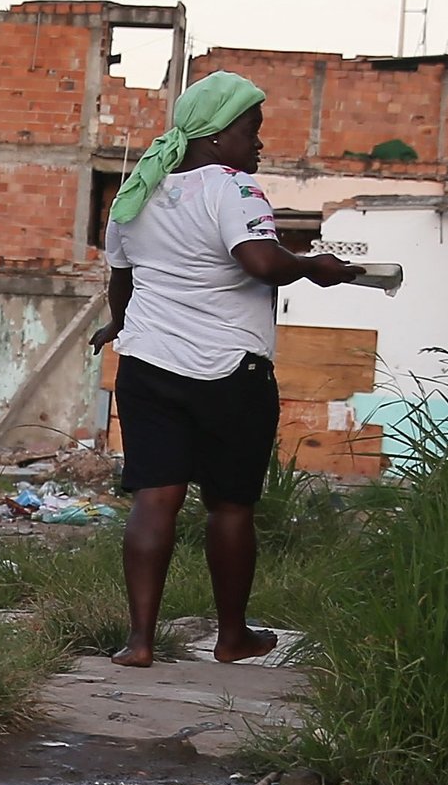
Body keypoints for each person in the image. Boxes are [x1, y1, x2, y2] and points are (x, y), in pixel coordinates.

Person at [93, 71, 369, 671]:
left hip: (147, 366)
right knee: (229, 506)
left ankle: (139, 642)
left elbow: (123, 277)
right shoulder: (234, 188)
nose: (259, 145)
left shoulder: (137, 192)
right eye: (252, 131)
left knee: (154, 499)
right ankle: (231, 636)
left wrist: (118, 326)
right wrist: (313, 265)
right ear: (217, 137)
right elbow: (261, 261)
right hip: (229, 372)